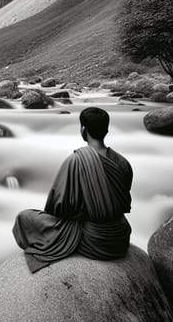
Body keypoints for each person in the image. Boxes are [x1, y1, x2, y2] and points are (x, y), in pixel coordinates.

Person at [12, 107, 133, 272]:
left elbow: (59, 207)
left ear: (83, 129)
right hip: (120, 237)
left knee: (24, 217)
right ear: (106, 130)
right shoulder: (123, 162)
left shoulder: (76, 161)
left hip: (94, 240)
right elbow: (123, 203)